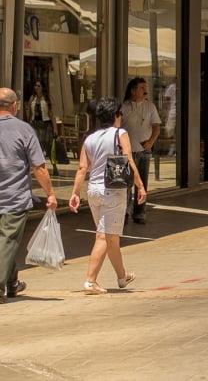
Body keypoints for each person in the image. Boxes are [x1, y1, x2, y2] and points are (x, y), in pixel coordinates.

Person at [67, 97, 145, 294]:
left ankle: (122, 275)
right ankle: (90, 281)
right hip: (113, 190)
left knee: (111, 236)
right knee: (104, 236)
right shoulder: (120, 133)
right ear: (116, 116)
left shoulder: (89, 138)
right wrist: (140, 186)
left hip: (93, 189)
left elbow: (82, 167)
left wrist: (75, 193)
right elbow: (128, 160)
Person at [0, 87, 58, 300]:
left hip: (10, 197)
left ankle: (13, 282)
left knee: (6, 242)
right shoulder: (24, 129)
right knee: (7, 241)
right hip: (14, 198)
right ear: (14, 105)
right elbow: (39, 167)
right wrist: (50, 193)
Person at [119, 78, 161, 224]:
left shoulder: (150, 107)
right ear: (133, 90)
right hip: (127, 152)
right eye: (141, 88)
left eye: (145, 87)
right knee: (126, 184)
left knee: (142, 183)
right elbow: (117, 127)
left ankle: (139, 214)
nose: (145, 91)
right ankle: (124, 212)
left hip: (144, 151)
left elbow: (156, 126)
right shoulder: (123, 107)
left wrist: (151, 141)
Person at [23, 81, 58, 165]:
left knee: (48, 146)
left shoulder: (47, 98)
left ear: (42, 87)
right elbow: (29, 112)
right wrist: (28, 124)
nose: (36, 87)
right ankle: (39, 166)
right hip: (35, 124)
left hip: (45, 124)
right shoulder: (32, 98)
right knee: (37, 146)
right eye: (35, 86)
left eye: (38, 86)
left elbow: (51, 113)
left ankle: (54, 166)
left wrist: (55, 127)